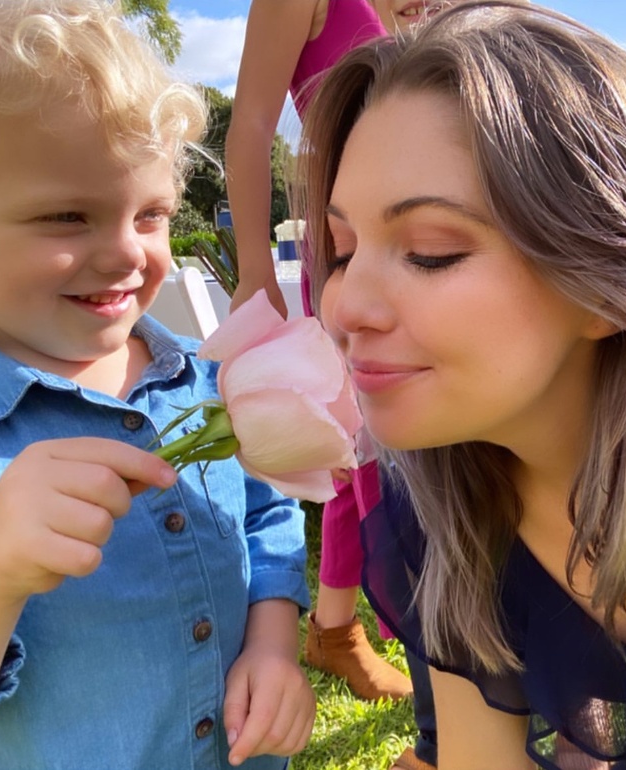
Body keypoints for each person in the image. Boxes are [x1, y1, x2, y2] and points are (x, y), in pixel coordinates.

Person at [0, 1, 315, 769]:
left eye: (152, 214)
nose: (127, 254)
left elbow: (268, 517)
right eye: (66, 216)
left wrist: (273, 647)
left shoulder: (200, 379)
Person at [299, 1, 626, 767]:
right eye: (342, 248)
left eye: (430, 250)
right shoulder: (438, 509)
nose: (342, 308)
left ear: (604, 283)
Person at [226, 0, 449, 711]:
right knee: (379, 455)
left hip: (439, 243)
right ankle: (439, 683)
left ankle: (335, 628)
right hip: (352, 254)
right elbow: (253, 124)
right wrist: (254, 269)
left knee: (369, 448)